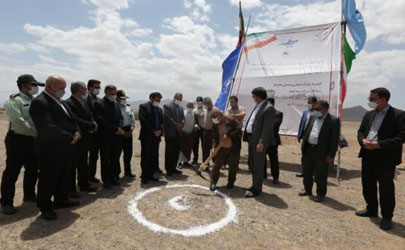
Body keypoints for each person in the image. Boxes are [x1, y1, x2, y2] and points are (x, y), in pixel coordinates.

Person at [29, 75, 81, 220]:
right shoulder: (40, 102)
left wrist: (77, 132)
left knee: (63, 175)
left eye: (64, 88)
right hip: (50, 148)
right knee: (48, 177)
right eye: (61, 88)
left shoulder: (61, 102)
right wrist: (70, 137)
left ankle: (61, 200)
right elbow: (47, 127)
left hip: (66, 147)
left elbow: (72, 121)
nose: (63, 91)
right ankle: (45, 206)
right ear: (49, 86)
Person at [356, 88, 405, 231]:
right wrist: (362, 141)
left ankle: (387, 217)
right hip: (367, 155)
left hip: (385, 157)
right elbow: (361, 131)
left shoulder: (399, 115)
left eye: (372, 99)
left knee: (386, 188)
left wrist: (379, 145)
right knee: (368, 184)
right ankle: (371, 209)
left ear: (382, 99)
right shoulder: (369, 114)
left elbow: (402, 137)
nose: (369, 101)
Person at [1, 74, 43, 215]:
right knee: (12, 172)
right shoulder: (15, 101)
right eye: (33, 85)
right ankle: (6, 202)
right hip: (18, 139)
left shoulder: (35, 101)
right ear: (24, 85)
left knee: (32, 169)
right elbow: (19, 121)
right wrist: (36, 132)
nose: (36, 88)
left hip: (32, 140)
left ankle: (29, 195)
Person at [298, 100, 340, 202]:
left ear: (325, 109)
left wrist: (331, 155)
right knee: (307, 171)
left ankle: (320, 193)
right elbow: (307, 131)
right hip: (308, 149)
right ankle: (307, 190)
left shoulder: (333, 120)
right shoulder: (313, 117)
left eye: (317, 109)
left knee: (321, 174)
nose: (315, 111)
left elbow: (334, 140)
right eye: (314, 109)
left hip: (322, 152)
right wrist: (304, 146)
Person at [65, 81, 98, 198]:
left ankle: (84, 184)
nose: (86, 92)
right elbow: (75, 119)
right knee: (73, 164)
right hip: (77, 138)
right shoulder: (69, 103)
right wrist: (90, 125)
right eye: (84, 90)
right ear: (79, 91)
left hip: (87, 138)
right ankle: (71, 189)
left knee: (83, 163)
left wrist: (93, 124)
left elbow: (90, 115)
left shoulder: (84, 102)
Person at [243, 87, 276, 198]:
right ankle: (254, 185)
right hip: (252, 139)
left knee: (258, 165)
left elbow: (267, 128)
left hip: (258, 142)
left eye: (254, 96)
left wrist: (261, 142)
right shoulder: (258, 106)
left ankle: (257, 189)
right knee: (252, 163)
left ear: (259, 96)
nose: (253, 98)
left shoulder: (268, 108)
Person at [94, 85, 123, 189]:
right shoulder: (99, 104)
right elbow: (101, 120)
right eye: (112, 93)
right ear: (106, 93)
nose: (114, 95)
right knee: (105, 159)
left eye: (115, 93)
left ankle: (114, 177)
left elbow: (120, 118)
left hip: (117, 137)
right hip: (105, 137)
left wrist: (119, 128)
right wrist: (115, 129)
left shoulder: (116, 104)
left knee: (115, 159)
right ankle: (106, 180)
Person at [209, 109, 242, 191]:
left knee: (233, 167)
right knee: (216, 166)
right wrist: (213, 147)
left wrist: (228, 135)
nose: (215, 120)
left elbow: (238, 131)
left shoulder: (231, 120)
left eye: (215, 118)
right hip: (221, 148)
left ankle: (231, 182)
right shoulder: (215, 124)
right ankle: (213, 182)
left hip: (233, 148)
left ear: (220, 115)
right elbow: (214, 137)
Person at [138, 92, 163, 184]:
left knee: (153, 156)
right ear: (151, 98)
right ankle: (144, 176)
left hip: (156, 137)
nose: (158, 101)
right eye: (157, 99)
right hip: (147, 136)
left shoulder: (159, 110)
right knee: (146, 156)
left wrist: (160, 130)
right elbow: (143, 120)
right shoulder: (144, 107)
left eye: (159, 100)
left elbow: (162, 122)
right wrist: (153, 130)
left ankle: (150, 174)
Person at [163, 93, 184, 176]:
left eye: (181, 99)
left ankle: (173, 167)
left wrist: (181, 124)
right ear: (174, 97)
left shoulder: (181, 108)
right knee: (169, 151)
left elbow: (183, 118)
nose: (179, 100)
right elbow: (167, 117)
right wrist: (176, 125)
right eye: (178, 98)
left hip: (178, 133)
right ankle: (168, 169)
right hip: (170, 132)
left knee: (176, 151)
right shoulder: (167, 106)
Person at [296, 96, 317, 177]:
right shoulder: (305, 112)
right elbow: (302, 124)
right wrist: (299, 135)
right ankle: (304, 172)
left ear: (314, 103)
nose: (308, 104)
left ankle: (315, 174)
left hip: (313, 136)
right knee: (304, 156)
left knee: (314, 157)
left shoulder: (318, 113)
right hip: (305, 136)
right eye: (307, 102)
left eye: (309, 102)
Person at [264, 97, 283, 184]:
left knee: (273, 159)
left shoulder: (278, 113)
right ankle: (263, 174)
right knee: (262, 158)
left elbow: (275, 126)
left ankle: (275, 176)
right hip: (263, 140)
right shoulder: (263, 113)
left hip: (273, 141)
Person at [116, 90, 136, 178]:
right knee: (117, 154)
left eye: (125, 98)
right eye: (122, 98)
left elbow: (133, 120)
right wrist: (122, 132)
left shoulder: (128, 107)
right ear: (117, 99)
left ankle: (127, 172)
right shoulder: (115, 108)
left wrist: (131, 129)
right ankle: (116, 173)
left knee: (128, 153)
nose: (124, 100)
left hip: (128, 131)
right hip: (119, 132)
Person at [86, 79, 102, 183]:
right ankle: (83, 177)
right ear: (89, 87)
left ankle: (91, 175)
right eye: (96, 87)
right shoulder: (84, 99)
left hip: (98, 132)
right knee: (83, 157)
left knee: (94, 156)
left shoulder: (99, 100)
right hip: (87, 132)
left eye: (98, 87)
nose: (98, 89)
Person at [226, 95, 246, 167]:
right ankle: (226, 163)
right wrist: (237, 116)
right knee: (228, 147)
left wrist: (233, 116)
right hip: (230, 130)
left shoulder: (241, 108)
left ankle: (235, 165)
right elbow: (228, 118)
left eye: (232, 102)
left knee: (237, 148)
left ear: (236, 102)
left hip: (238, 131)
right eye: (230, 102)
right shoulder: (228, 109)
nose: (231, 103)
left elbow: (243, 114)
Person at [179, 101, 196, 168]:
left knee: (188, 148)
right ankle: (179, 162)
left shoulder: (193, 113)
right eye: (190, 106)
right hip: (183, 133)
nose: (191, 107)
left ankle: (186, 161)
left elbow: (194, 122)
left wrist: (195, 126)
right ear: (187, 106)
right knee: (181, 148)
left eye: (192, 106)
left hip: (190, 133)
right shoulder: (183, 113)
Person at [192, 96, 205, 165]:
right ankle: (195, 159)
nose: (199, 103)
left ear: (202, 102)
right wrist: (195, 125)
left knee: (204, 145)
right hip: (196, 129)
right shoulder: (194, 110)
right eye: (198, 102)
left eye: (200, 102)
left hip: (203, 129)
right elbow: (193, 120)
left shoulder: (205, 110)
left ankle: (205, 160)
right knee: (195, 144)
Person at [202, 97, 214, 167]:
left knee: (213, 149)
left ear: (209, 103)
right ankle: (205, 165)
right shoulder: (205, 110)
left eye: (205, 103)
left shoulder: (215, 110)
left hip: (212, 132)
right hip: (206, 132)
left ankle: (215, 165)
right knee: (205, 149)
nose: (204, 105)